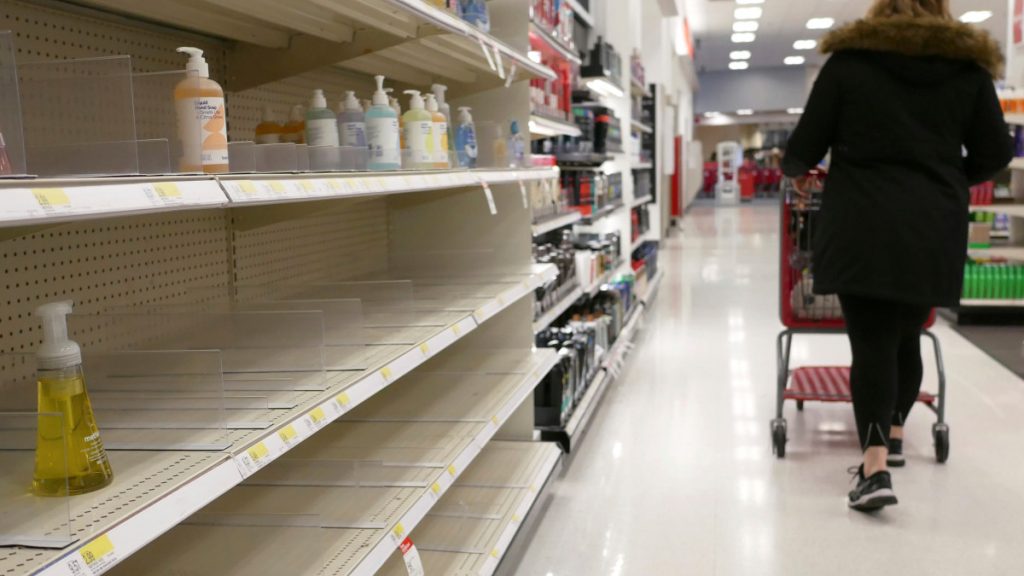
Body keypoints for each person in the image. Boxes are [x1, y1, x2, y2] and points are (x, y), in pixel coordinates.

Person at [782, 0, 1013, 512]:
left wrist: (798, 169)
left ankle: (875, 468)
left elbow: (806, 143)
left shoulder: (850, 64)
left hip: (862, 218)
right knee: (908, 333)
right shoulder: (968, 72)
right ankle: (895, 433)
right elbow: (996, 152)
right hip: (932, 222)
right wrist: (948, 177)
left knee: (872, 343)